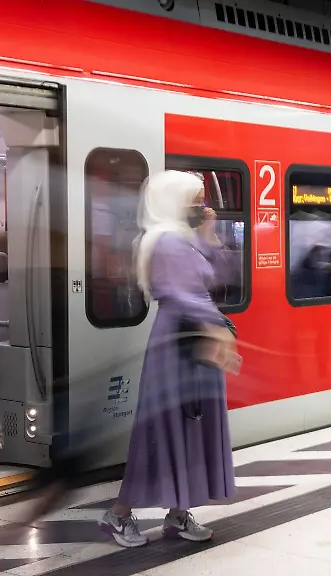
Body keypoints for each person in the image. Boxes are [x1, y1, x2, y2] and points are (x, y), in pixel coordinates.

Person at [98, 171, 241, 548]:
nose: (201, 205)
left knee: (191, 429)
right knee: (161, 432)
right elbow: (182, 295)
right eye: (194, 199)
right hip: (179, 343)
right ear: (172, 200)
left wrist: (209, 238)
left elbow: (217, 277)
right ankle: (119, 514)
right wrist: (218, 328)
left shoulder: (185, 239)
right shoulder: (163, 242)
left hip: (193, 342)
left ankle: (177, 514)